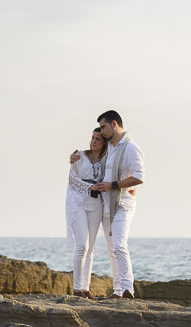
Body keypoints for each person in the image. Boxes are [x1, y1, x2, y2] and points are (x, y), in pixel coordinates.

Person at [77, 110, 145, 299]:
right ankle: (117, 291)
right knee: (111, 249)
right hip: (106, 205)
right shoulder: (111, 147)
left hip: (122, 204)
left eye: (104, 127)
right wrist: (77, 156)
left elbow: (139, 177)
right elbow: (95, 156)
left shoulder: (130, 147)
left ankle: (127, 289)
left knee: (119, 244)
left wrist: (114, 185)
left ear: (114, 124)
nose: (102, 131)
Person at [66, 127, 107, 299]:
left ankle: (85, 288)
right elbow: (72, 178)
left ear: (104, 142)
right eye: (92, 138)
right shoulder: (80, 155)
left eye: (98, 139)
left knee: (90, 248)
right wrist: (89, 186)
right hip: (78, 202)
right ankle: (76, 289)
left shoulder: (107, 159)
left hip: (96, 203)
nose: (94, 141)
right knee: (81, 245)